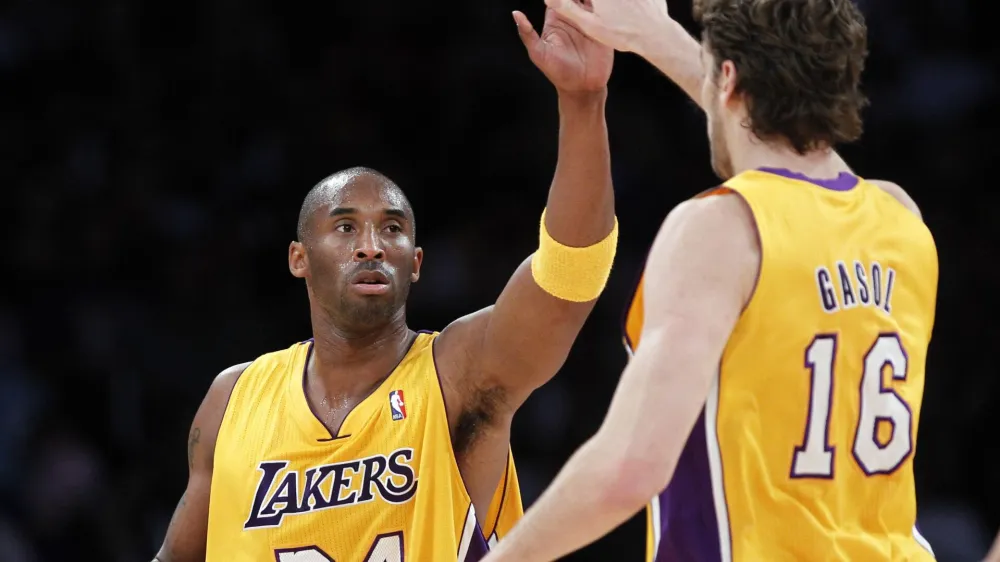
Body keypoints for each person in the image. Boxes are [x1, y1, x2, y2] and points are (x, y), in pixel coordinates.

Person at [151, 8, 617, 562]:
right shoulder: (232, 401)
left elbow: (568, 280)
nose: (371, 244)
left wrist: (583, 102)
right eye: (345, 226)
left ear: (415, 262)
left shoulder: (459, 373)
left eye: (391, 229)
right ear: (299, 258)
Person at [483, 0, 939, 560]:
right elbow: (796, 150)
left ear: (725, 78)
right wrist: (658, 37)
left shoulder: (722, 229)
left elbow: (630, 467)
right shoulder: (901, 222)